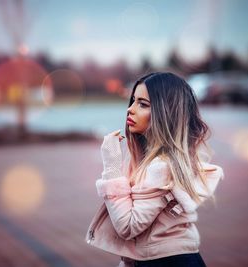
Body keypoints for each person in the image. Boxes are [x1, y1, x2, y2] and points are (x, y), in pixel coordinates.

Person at [86, 72, 224, 267]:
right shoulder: (152, 160)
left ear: (165, 112)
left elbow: (128, 227)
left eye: (143, 104)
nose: (130, 110)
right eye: (133, 101)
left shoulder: (162, 167)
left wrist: (112, 165)